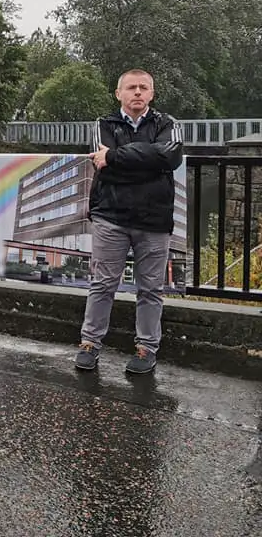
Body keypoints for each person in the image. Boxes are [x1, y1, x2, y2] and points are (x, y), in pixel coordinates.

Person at [75, 68, 184, 374]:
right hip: (111, 216)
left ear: (152, 93)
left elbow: (170, 158)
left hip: (154, 219)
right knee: (103, 283)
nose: (138, 92)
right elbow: (105, 164)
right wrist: (148, 160)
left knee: (150, 288)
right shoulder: (103, 124)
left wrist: (118, 157)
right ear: (118, 93)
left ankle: (146, 348)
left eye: (143, 87)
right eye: (131, 87)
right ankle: (90, 343)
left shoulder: (168, 124)